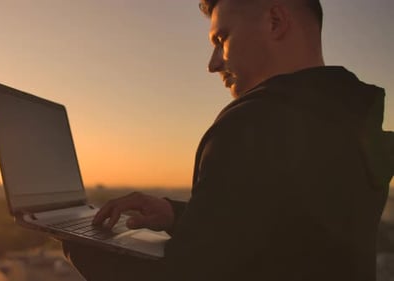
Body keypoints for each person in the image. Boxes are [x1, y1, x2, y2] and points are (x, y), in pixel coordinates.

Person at [63, 0, 394, 280]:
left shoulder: (250, 125)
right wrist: (175, 215)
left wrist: (78, 243)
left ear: (276, 22)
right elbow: (288, 237)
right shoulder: (353, 120)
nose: (213, 63)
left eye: (221, 38)